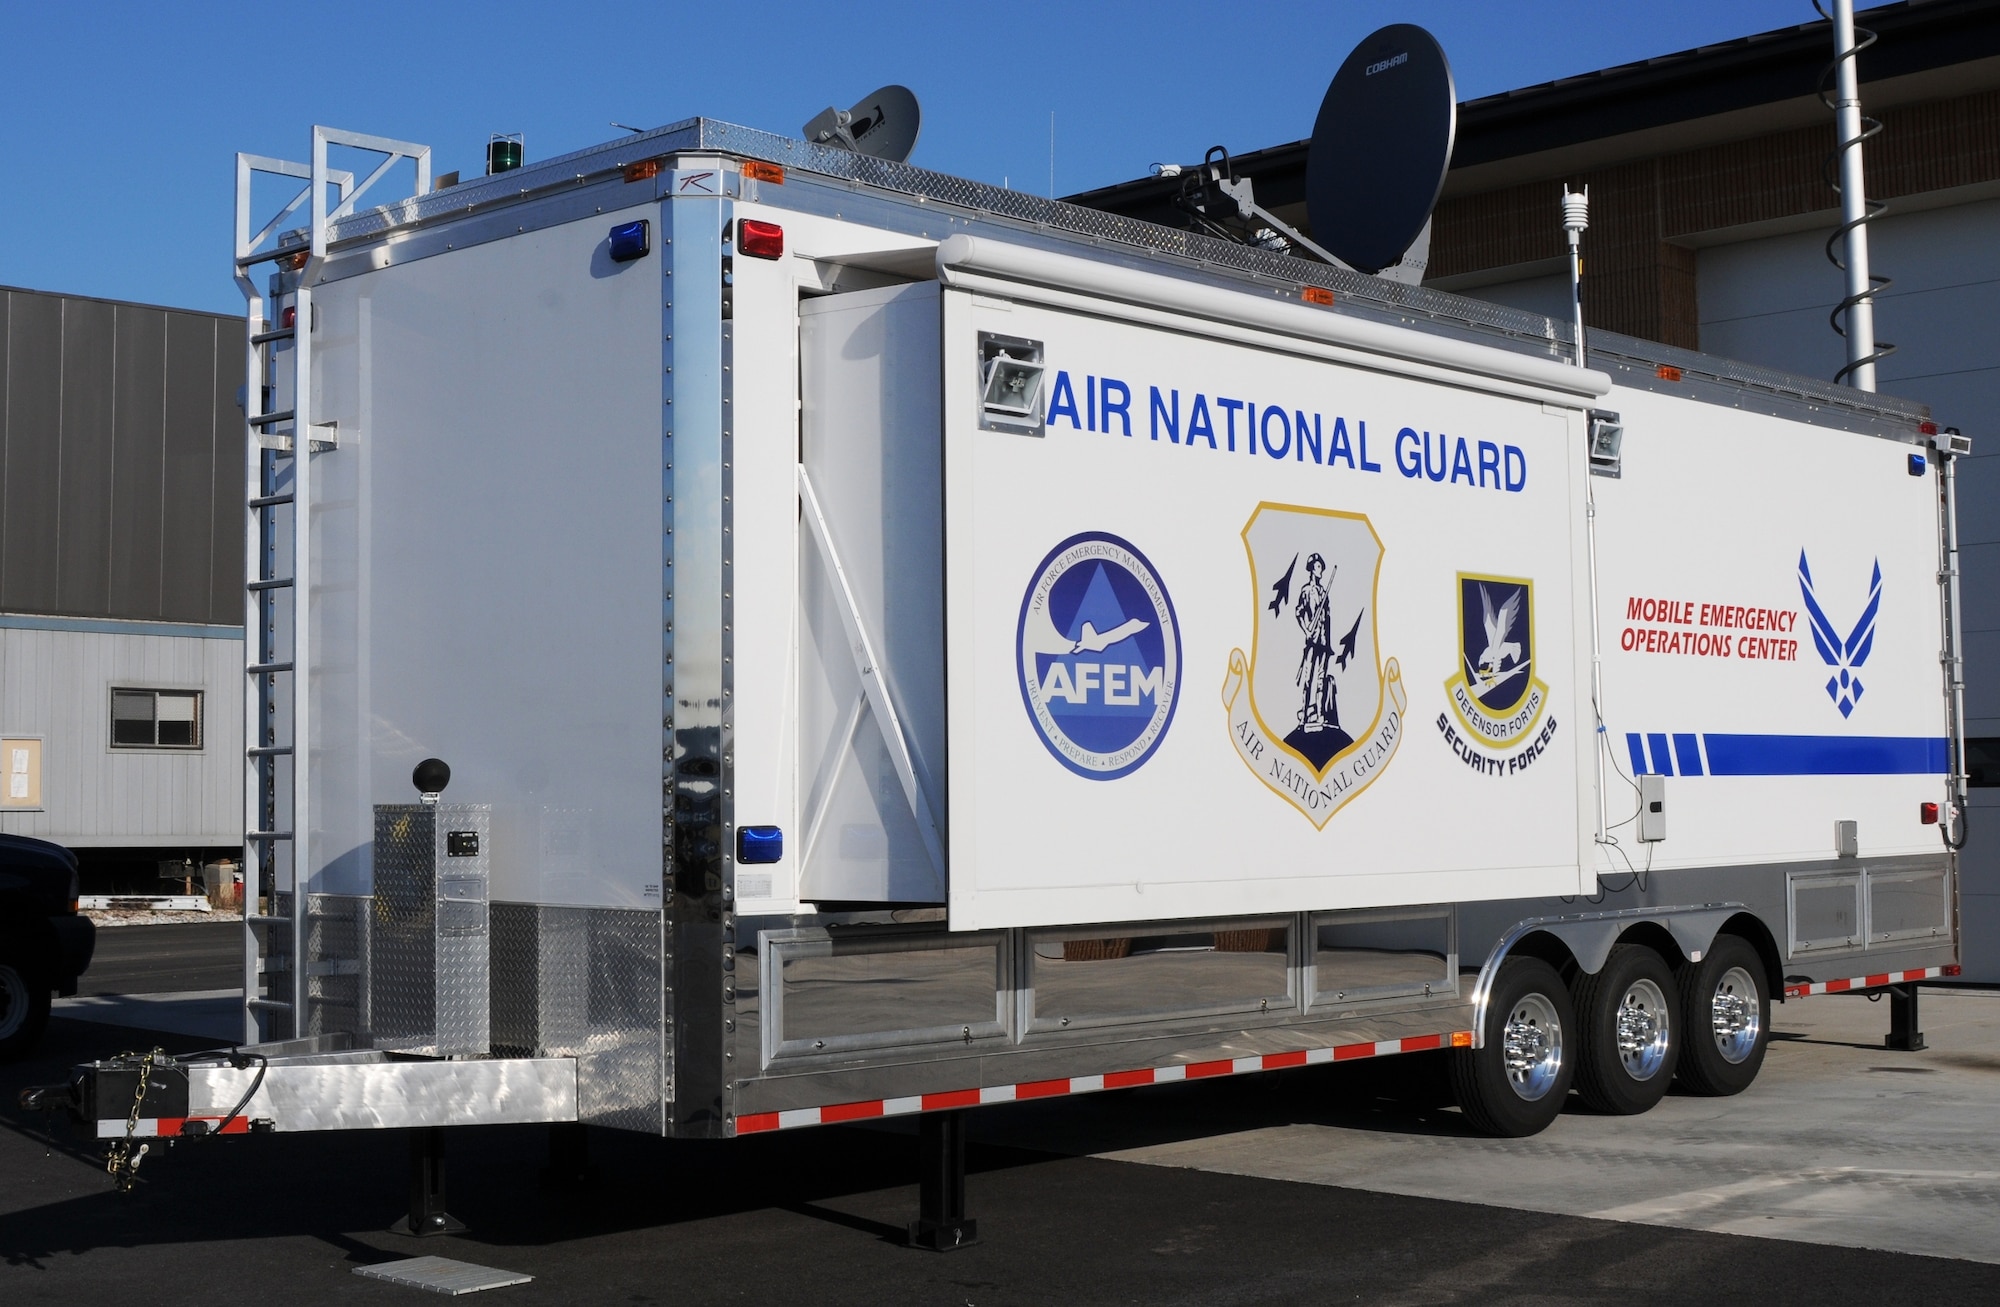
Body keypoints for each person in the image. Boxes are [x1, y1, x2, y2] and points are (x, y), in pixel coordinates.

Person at [1293, 554, 1338, 730]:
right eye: (1319, 567)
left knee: (1320, 680)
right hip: (1311, 643)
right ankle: (1303, 717)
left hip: (1323, 643)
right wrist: (1306, 630)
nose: (1321, 571)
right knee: (1307, 680)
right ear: (1312, 568)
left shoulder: (1323, 593)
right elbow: (1298, 612)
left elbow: (1327, 620)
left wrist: (1328, 644)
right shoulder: (1306, 591)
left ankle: (1319, 715)